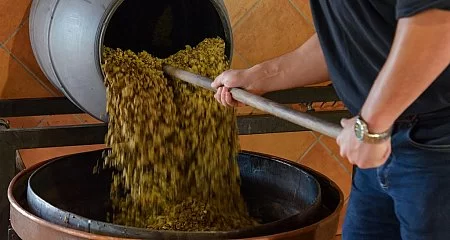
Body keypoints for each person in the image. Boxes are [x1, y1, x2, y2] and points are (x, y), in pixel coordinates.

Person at [211, 1, 450, 239]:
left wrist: (372, 124)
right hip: (379, 136)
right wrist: (262, 76)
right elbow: (349, 37)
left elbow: (439, 27)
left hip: (436, 141)